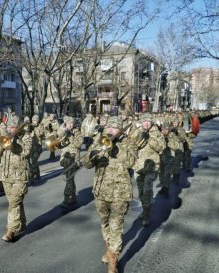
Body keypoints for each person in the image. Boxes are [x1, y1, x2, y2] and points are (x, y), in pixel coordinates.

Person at [83, 116, 136, 273]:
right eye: (109, 127)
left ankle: (113, 261)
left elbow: (130, 162)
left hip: (120, 192)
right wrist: (93, 152)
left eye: (115, 128)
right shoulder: (99, 140)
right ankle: (109, 249)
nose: (111, 130)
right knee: (105, 223)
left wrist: (114, 148)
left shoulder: (128, 142)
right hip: (101, 191)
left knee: (116, 226)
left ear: (120, 130)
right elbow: (86, 164)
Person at [0, 115, 32, 242]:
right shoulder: (5, 136)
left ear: (18, 128)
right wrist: (0, 144)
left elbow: (26, 152)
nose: (10, 130)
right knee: (15, 203)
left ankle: (10, 231)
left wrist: (14, 143)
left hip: (20, 177)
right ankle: (21, 224)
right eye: (9, 127)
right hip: (6, 176)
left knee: (13, 203)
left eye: (13, 128)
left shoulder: (26, 137)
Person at [131, 112, 165, 226]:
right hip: (138, 166)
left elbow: (162, 147)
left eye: (148, 121)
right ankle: (145, 209)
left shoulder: (157, 133)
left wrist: (149, 139)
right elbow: (130, 144)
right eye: (144, 121)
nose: (146, 124)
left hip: (152, 166)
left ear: (151, 122)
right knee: (140, 193)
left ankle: (146, 214)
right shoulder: (137, 131)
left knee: (147, 191)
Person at [59, 116, 83, 207]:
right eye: (68, 123)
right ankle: (72, 197)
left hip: (74, 158)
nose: (70, 125)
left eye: (71, 123)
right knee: (70, 178)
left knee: (69, 178)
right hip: (64, 157)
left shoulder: (78, 133)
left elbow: (78, 144)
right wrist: (64, 134)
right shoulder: (63, 131)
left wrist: (71, 136)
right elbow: (60, 144)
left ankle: (67, 199)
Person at [29, 115, 44, 182]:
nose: (34, 122)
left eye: (35, 121)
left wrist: (35, 129)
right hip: (31, 146)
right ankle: (38, 175)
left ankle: (32, 175)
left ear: (38, 121)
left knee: (34, 161)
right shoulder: (30, 126)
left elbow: (41, 134)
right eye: (33, 120)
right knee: (34, 161)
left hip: (38, 146)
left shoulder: (40, 126)